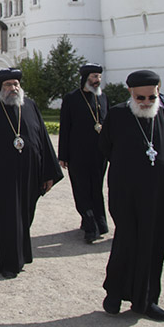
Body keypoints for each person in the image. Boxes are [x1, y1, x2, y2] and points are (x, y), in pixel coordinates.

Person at [100, 69, 164, 322]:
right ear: (130, 93)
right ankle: (115, 293)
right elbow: (105, 150)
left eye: (151, 98)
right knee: (127, 244)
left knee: (154, 249)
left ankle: (146, 300)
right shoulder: (118, 115)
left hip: (160, 197)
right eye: (140, 98)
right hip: (128, 195)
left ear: (158, 92)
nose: (145, 103)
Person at [0, 68, 62, 278]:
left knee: (26, 214)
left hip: (31, 173)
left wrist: (49, 172)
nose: (13, 88)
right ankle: (9, 263)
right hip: (2, 176)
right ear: (1, 89)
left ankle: (22, 253)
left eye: (16, 84)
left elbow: (44, 140)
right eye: (8, 85)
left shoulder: (30, 106)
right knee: (7, 218)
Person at [58, 63, 110, 243]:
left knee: (96, 188)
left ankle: (99, 223)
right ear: (85, 78)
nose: (97, 81)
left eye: (99, 77)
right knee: (81, 189)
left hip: (100, 153)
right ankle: (90, 227)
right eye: (94, 77)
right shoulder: (71, 98)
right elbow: (65, 127)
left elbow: (107, 124)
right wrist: (63, 155)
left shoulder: (102, 97)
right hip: (77, 153)